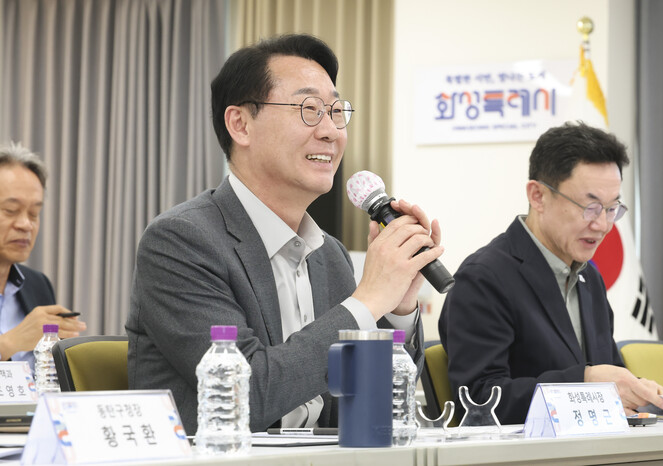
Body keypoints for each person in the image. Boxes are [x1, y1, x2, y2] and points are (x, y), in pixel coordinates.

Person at [126, 34, 443, 434]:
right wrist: (368, 299)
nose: (331, 132)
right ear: (240, 124)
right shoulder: (180, 241)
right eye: (309, 110)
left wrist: (397, 306)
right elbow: (243, 395)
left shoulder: (329, 255)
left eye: (336, 111)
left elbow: (381, 408)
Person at [438, 122, 663, 425]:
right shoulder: (483, 279)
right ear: (538, 196)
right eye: (590, 207)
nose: (602, 225)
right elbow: (480, 401)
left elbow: (607, 371)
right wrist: (585, 382)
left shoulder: (589, 278)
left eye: (612, 208)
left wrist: (636, 391)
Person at [0, 142, 86, 371]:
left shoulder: (37, 284)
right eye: (10, 210)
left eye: (34, 213)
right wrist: (8, 343)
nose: (25, 224)